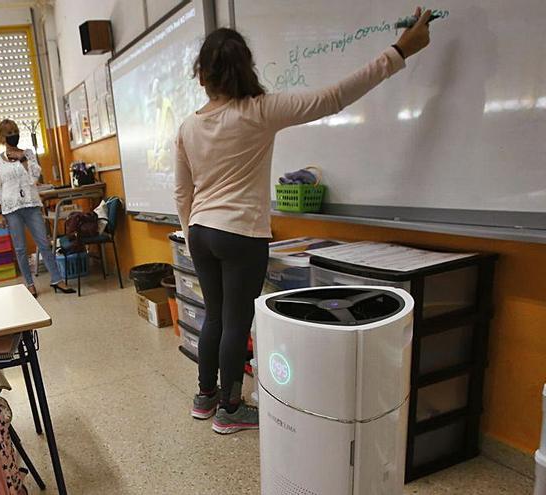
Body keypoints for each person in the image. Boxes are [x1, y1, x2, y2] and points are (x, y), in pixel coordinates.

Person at [174, 10, 432, 434]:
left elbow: (183, 193)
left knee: (216, 316)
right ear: (245, 68)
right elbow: (334, 98)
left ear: (202, 75)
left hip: (201, 231)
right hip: (241, 232)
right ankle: (231, 409)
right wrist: (399, 51)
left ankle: (205, 399)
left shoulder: (188, 126)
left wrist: (192, 232)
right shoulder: (259, 111)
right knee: (237, 321)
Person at [0, 119, 75, 297]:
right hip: (11, 208)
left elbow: (35, 176)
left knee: (44, 243)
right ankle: (29, 284)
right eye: (9, 134)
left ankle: (57, 280)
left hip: (31, 203)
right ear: (2, 138)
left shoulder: (28, 154)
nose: (13, 136)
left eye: (15, 132)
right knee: (20, 248)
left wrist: (23, 160)